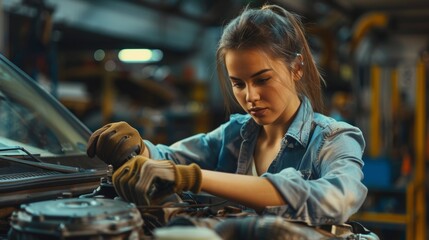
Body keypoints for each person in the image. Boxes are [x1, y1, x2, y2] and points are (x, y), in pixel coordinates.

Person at [86, 4, 367, 227]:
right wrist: (137, 147)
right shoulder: (234, 135)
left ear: (297, 69)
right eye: (238, 84)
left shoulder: (333, 139)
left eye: (262, 80)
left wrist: (194, 178)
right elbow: (169, 159)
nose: (250, 97)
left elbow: (337, 198)